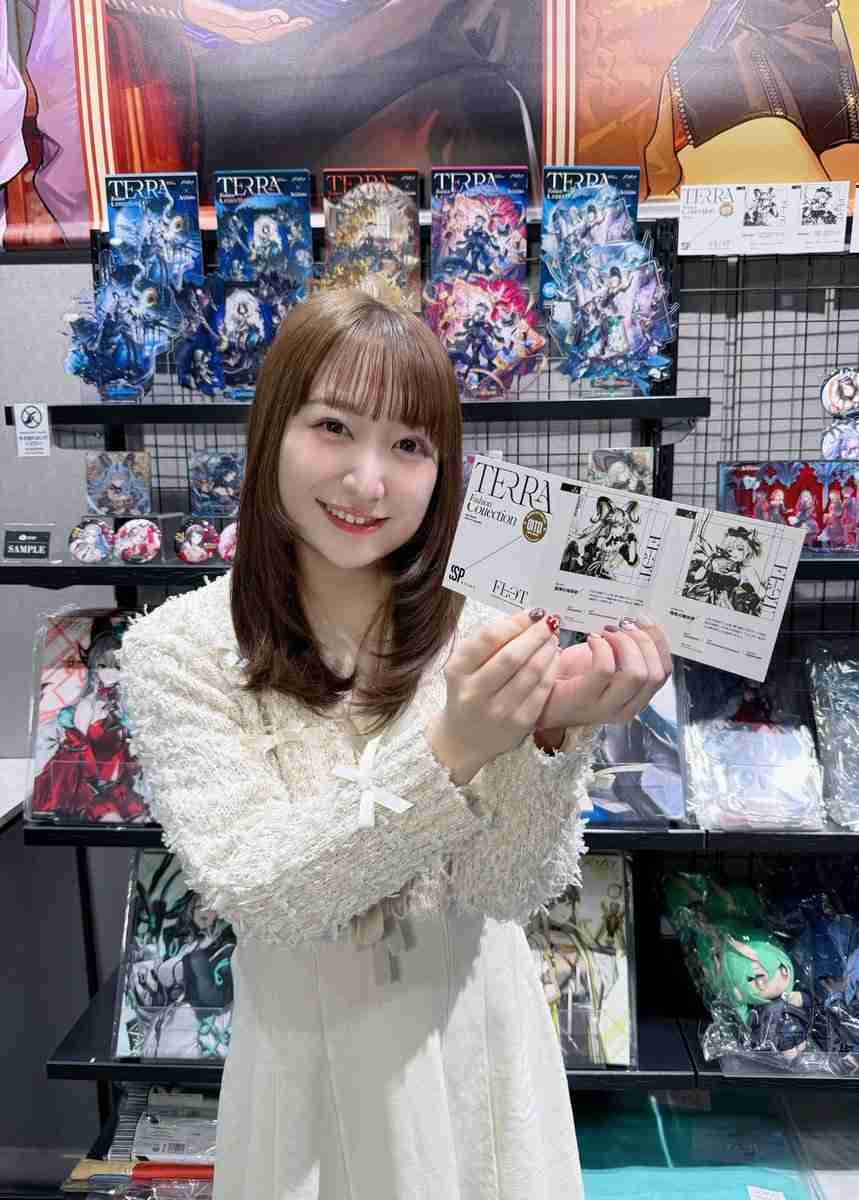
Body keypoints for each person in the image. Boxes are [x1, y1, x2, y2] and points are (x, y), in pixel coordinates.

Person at [120, 288, 670, 1200]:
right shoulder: (180, 649)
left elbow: (510, 889)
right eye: (333, 427)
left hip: (479, 1052)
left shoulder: (484, 630)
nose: (367, 481)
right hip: (308, 1072)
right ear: (271, 431)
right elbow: (262, 894)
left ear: (442, 469)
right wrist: (451, 748)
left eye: (409, 445)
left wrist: (548, 734)